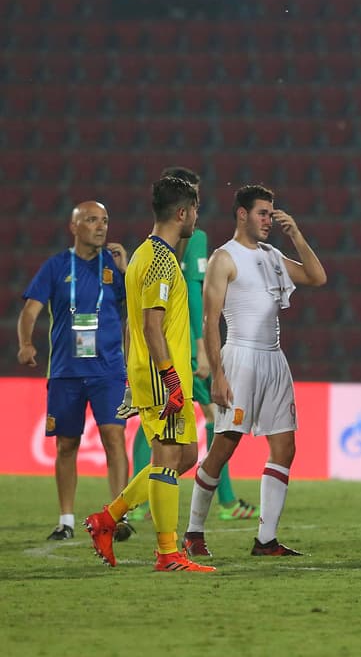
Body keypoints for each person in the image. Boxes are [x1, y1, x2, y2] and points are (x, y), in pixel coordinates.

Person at [182, 184, 326, 558]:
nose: (269, 220)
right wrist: (218, 373)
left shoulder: (273, 255)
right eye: (263, 213)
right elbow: (211, 322)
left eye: (271, 213)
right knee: (224, 446)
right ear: (242, 214)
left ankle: (266, 540)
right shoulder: (223, 258)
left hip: (274, 359)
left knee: (285, 446)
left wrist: (296, 235)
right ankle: (194, 532)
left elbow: (317, 276)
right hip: (241, 358)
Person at [84, 176, 215, 572]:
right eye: (194, 210)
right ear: (182, 213)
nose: (196, 217)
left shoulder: (143, 254)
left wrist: (131, 378)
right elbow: (150, 326)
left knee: (185, 455)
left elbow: (130, 326)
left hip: (154, 372)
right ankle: (168, 553)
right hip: (164, 375)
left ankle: (107, 519)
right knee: (166, 457)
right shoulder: (159, 259)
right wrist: (171, 380)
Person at [134, 167, 256, 529]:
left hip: (164, 353)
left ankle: (128, 507)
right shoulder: (183, 246)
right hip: (178, 352)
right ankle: (222, 503)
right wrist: (204, 349)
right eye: (195, 202)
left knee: (171, 439)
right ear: (182, 209)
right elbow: (198, 302)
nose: (198, 209)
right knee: (210, 423)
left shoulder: (148, 250)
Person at [18, 202, 129, 541]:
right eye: (92, 220)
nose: (101, 227)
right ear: (74, 227)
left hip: (108, 370)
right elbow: (30, 311)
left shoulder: (113, 266)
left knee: (114, 437)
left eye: (105, 220)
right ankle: (66, 521)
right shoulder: (55, 267)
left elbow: (141, 309)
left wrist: (126, 271)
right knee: (67, 444)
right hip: (67, 371)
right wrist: (26, 343)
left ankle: (117, 516)